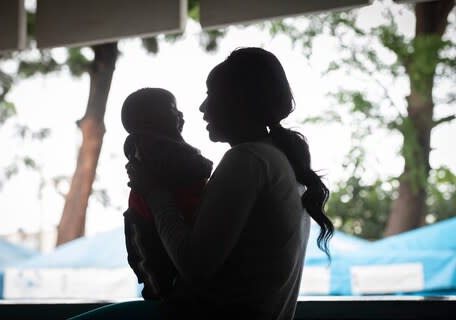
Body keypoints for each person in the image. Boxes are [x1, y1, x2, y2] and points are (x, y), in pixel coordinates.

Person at [128, 47, 334, 320]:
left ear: (238, 101)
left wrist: (154, 193)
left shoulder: (247, 160)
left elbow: (195, 266)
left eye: (210, 95)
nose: (202, 108)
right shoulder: (279, 159)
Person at [121, 88, 213, 300]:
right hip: (151, 222)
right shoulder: (151, 150)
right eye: (173, 109)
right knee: (158, 266)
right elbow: (198, 169)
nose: (181, 115)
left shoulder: (157, 150)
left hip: (162, 222)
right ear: (150, 119)